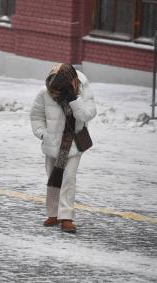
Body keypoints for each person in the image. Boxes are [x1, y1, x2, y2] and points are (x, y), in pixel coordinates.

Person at [30, 63, 96, 233]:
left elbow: (87, 114)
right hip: (52, 144)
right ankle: (53, 214)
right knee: (53, 178)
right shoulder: (45, 92)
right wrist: (43, 134)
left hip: (73, 143)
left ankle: (66, 217)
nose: (57, 91)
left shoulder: (81, 91)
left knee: (68, 178)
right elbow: (36, 116)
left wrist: (74, 100)